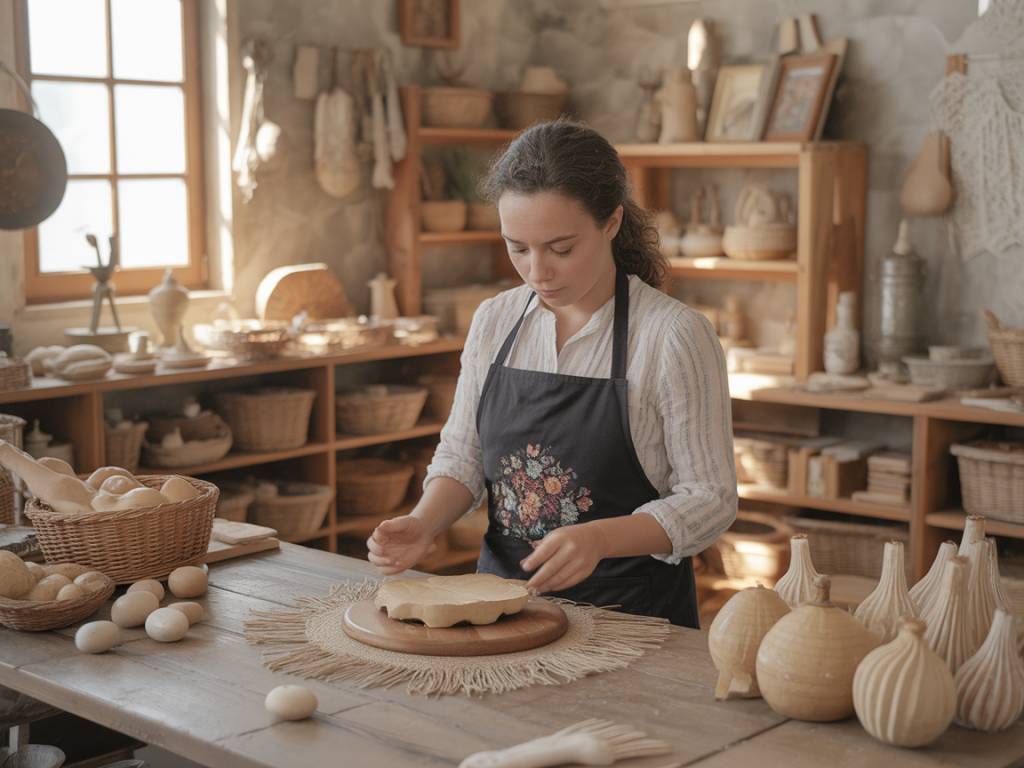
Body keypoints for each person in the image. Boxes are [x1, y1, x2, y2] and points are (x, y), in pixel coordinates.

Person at [367, 120, 736, 627]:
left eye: (561, 249)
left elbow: (710, 499)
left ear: (610, 223)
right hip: (499, 614)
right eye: (517, 248)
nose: (538, 271)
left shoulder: (673, 335)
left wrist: (601, 539)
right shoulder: (495, 320)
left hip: (634, 623)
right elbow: (463, 455)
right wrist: (423, 523)